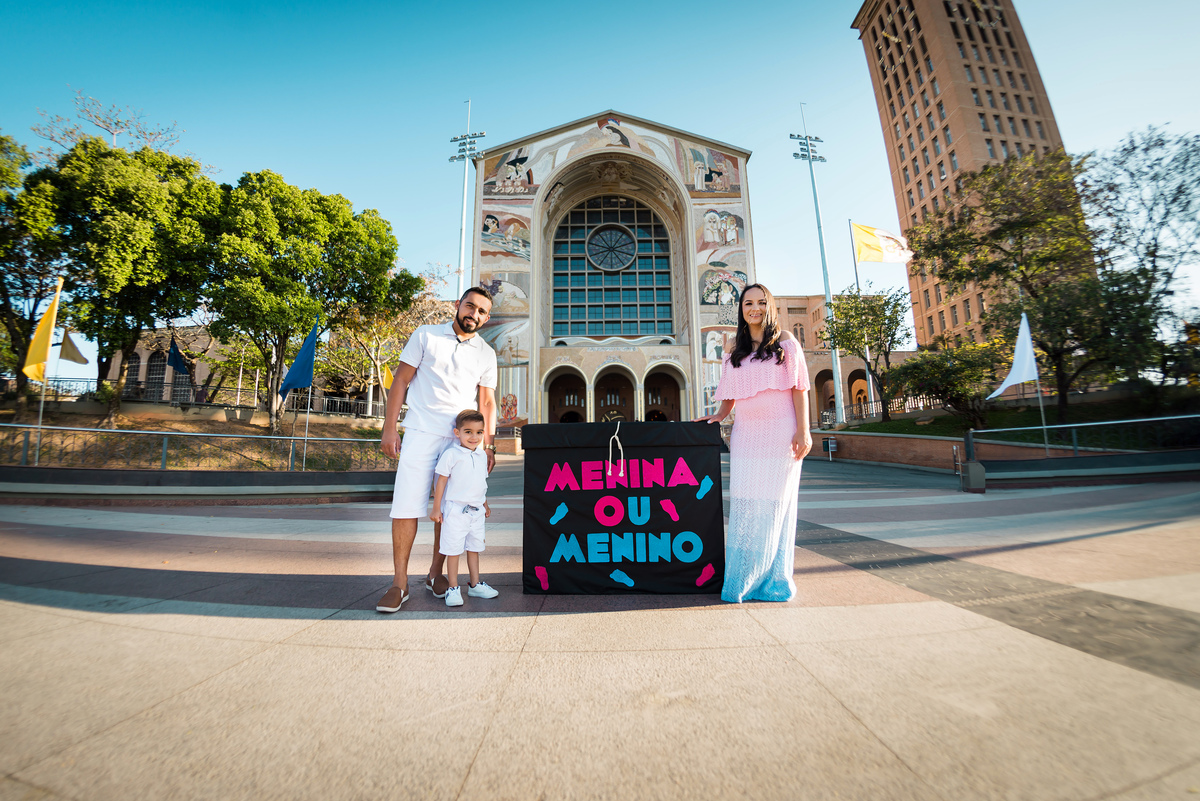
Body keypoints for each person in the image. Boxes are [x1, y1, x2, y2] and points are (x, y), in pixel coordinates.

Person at [376, 287, 498, 613]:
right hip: (420, 433)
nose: (474, 313)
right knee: (405, 506)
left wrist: (488, 445)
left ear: (486, 319)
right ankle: (399, 584)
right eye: (470, 306)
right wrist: (390, 428)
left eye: (482, 311)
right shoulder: (426, 335)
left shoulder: (486, 353)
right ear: (458, 306)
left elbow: (486, 402)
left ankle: (435, 574)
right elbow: (400, 381)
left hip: (459, 442)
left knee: (451, 510)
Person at [695, 283, 812, 602]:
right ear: (741, 309)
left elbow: (799, 388)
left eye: (762, 302)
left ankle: (774, 580)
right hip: (746, 433)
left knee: (775, 505)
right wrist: (717, 415)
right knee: (746, 503)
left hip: (781, 431)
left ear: (770, 307)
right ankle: (742, 579)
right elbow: (730, 392)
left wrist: (804, 430)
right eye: (749, 303)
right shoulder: (734, 347)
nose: (755, 308)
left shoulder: (785, 341)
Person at [430, 409, 499, 607]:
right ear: (457, 433)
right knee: (453, 550)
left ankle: (475, 585)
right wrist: (436, 508)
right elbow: (441, 482)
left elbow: (480, 482)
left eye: (479, 432)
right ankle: (453, 587)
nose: (474, 437)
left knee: (474, 548)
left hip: (476, 511)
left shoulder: (480, 455)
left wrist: (484, 503)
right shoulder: (451, 454)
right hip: (455, 511)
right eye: (468, 431)